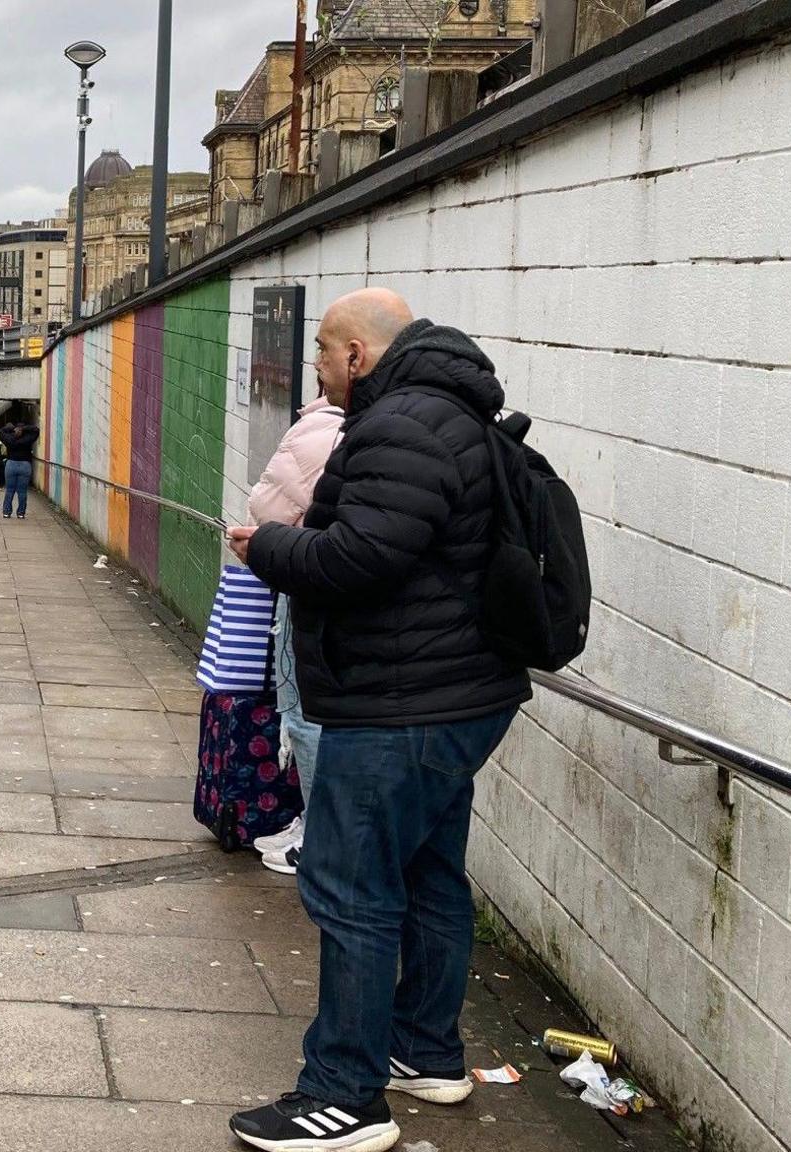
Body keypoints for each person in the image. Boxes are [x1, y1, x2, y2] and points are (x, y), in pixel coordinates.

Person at [222, 288, 531, 1152]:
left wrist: (269, 547)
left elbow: (360, 558)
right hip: (453, 696)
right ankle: (424, 1052)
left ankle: (345, 1096)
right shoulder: (450, 412)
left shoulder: (400, 426)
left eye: (324, 351)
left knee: (350, 890)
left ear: (359, 353)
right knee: (430, 876)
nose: (315, 369)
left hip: (400, 703)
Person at [244, 389, 344, 877]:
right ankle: (311, 821)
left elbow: (266, 506)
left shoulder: (320, 428)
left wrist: (262, 543)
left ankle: (316, 833)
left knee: (301, 711)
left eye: (323, 352)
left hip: (305, 583)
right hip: (333, 587)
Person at [0, 414, 37, 519]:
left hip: (11, 464)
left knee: (9, 490)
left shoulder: (9, 439)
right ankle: (21, 513)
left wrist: (11, 428)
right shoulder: (28, 439)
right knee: (22, 491)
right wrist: (24, 428)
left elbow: (0, 431)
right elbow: (36, 430)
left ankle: (6, 512)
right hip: (25, 465)